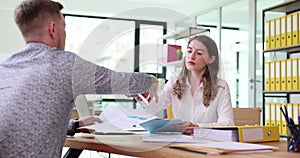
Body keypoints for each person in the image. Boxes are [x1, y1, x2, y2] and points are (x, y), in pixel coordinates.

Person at [0, 0, 158, 157]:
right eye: (64, 26)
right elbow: (122, 82)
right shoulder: (63, 64)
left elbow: (20, 125)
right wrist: (152, 81)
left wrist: (75, 125)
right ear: (53, 29)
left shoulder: (5, 67)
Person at [144, 35, 235, 134]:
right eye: (189, 51)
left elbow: (227, 123)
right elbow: (152, 109)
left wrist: (196, 127)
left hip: (208, 142)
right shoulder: (174, 83)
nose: (192, 56)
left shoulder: (221, 86)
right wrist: (144, 96)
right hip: (179, 142)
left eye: (199, 53)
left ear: (211, 59)